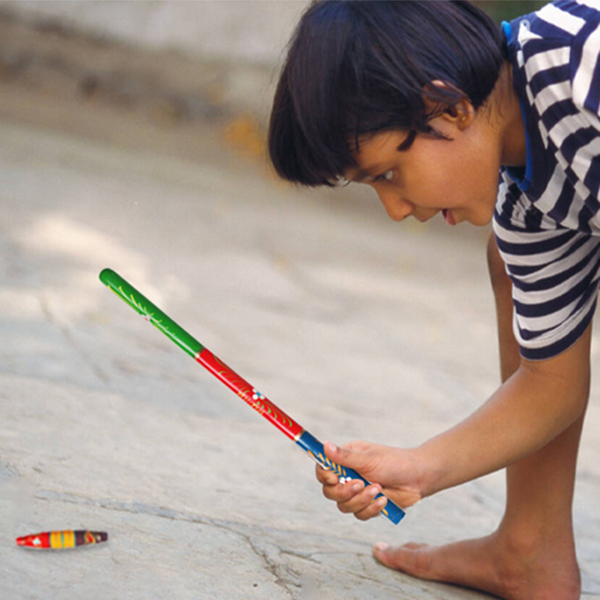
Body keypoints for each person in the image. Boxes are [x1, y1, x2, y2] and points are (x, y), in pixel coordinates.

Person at [267, 1, 600, 599]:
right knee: (509, 262)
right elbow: (551, 384)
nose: (396, 209)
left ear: (449, 109)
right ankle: (530, 547)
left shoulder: (582, 71)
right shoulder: (529, 195)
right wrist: (419, 467)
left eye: (388, 174)